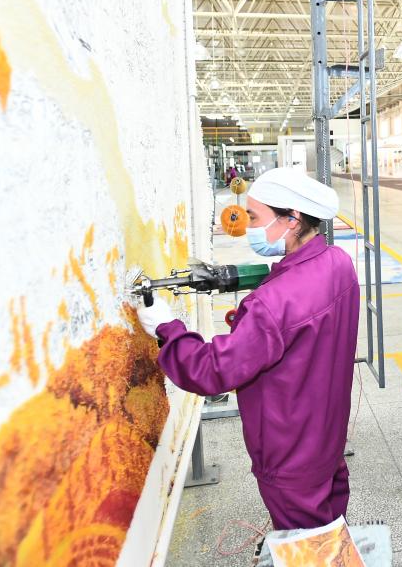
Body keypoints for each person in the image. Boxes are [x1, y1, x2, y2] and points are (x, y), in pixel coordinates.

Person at [136, 168, 359, 531]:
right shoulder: (338, 264)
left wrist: (167, 329)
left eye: (254, 216)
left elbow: (210, 371)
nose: (247, 224)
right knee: (328, 528)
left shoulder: (272, 305)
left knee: (304, 545)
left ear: (291, 219)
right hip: (325, 436)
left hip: (289, 451)